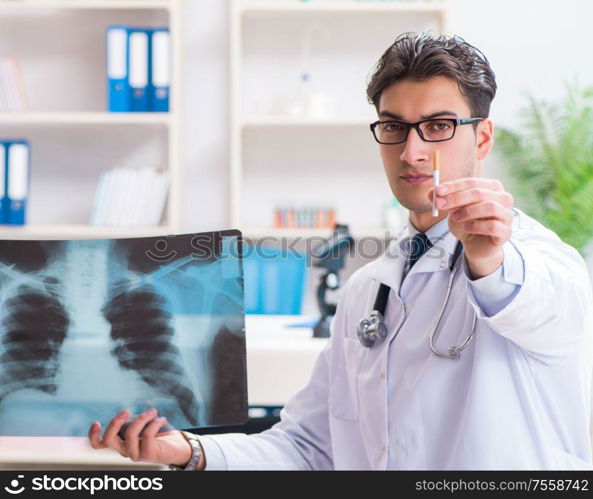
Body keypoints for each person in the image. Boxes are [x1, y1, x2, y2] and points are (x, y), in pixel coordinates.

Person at [89, 32, 593, 470]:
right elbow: (309, 449)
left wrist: (490, 262)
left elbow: (547, 312)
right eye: (393, 126)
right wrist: (188, 451)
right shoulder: (367, 289)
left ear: (482, 137)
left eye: (438, 126)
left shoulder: (538, 261)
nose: (412, 151)